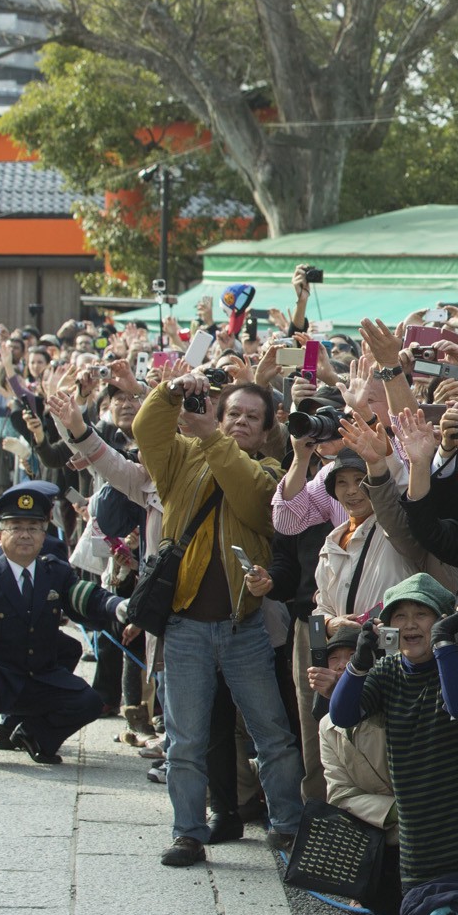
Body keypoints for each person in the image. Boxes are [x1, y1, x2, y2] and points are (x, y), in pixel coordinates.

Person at [132, 365, 306, 868]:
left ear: (269, 426)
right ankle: (187, 832)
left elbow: (252, 501)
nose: (240, 422)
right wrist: (171, 392)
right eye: (232, 413)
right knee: (185, 740)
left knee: (272, 734)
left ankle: (288, 826)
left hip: (243, 627)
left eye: (253, 416)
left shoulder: (273, 474)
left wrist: (212, 438)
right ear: (215, 411)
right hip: (185, 625)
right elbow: (147, 429)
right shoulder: (180, 457)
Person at [329, 575, 458, 908]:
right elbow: (341, 715)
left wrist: (442, 643)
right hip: (418, 837)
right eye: (400, 616)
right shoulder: (388, 670)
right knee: (420, 913)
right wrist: (360, 663)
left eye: (421, 614)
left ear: (443, 618)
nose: (410, 625)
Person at [0, 484, 125, 766]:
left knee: (89, 702)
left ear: (44, 536)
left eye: (33, 528)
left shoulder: (54, 571)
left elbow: (83, 596)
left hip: (41, 676)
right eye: (15, 527)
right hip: (0, 675)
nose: (25, 535)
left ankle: (35, 736)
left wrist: (114, 605)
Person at [313, 619, 401, 915]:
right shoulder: (326, 726)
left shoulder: (391, 707)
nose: (340, 667)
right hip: (380, 826)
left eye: (350, 658)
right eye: (333, 659)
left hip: (421, 826)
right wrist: (392, 812)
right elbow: (339, 793)